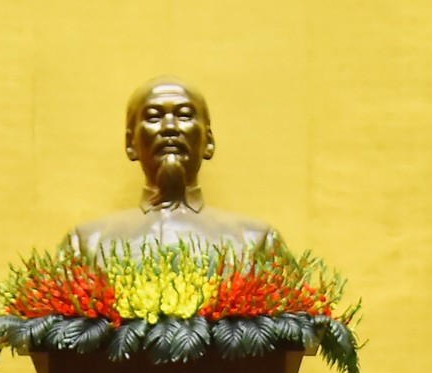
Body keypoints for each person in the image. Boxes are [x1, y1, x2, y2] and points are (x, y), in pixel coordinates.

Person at [67, 77, 280, 254]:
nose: (169, 127)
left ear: (208, 141)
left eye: (184, 115)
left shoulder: (255, 242)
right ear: (130, 144)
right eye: (153, 117)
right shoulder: (87, 243)